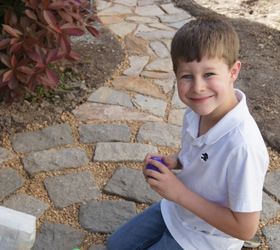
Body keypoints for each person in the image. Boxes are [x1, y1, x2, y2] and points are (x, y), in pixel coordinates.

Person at [107, 15, 269, 250]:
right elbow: (196, 156)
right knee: (115, 246)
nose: (198, 87)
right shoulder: (195, 112)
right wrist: (174, 161)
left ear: (233, 71)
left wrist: (178, 192)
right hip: (175, 212)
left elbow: (245, 228)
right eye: (186, 76)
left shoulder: (242, 146)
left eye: (209, 74)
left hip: (205, 238)